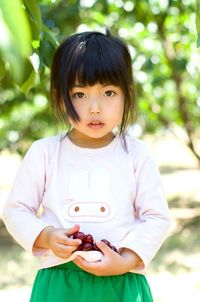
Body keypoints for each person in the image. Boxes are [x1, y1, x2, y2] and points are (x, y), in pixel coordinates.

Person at [2, 30, 171, 302]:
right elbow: (16, 211)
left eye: (108, 92)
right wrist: (46, 236)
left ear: (127, 95)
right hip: (60, 283)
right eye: (80, 94)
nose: (95, 107)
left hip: (121, 283)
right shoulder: (45, 153)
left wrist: (126, 260)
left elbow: (157, 217)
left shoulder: (136, 154)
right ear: (60, 98)